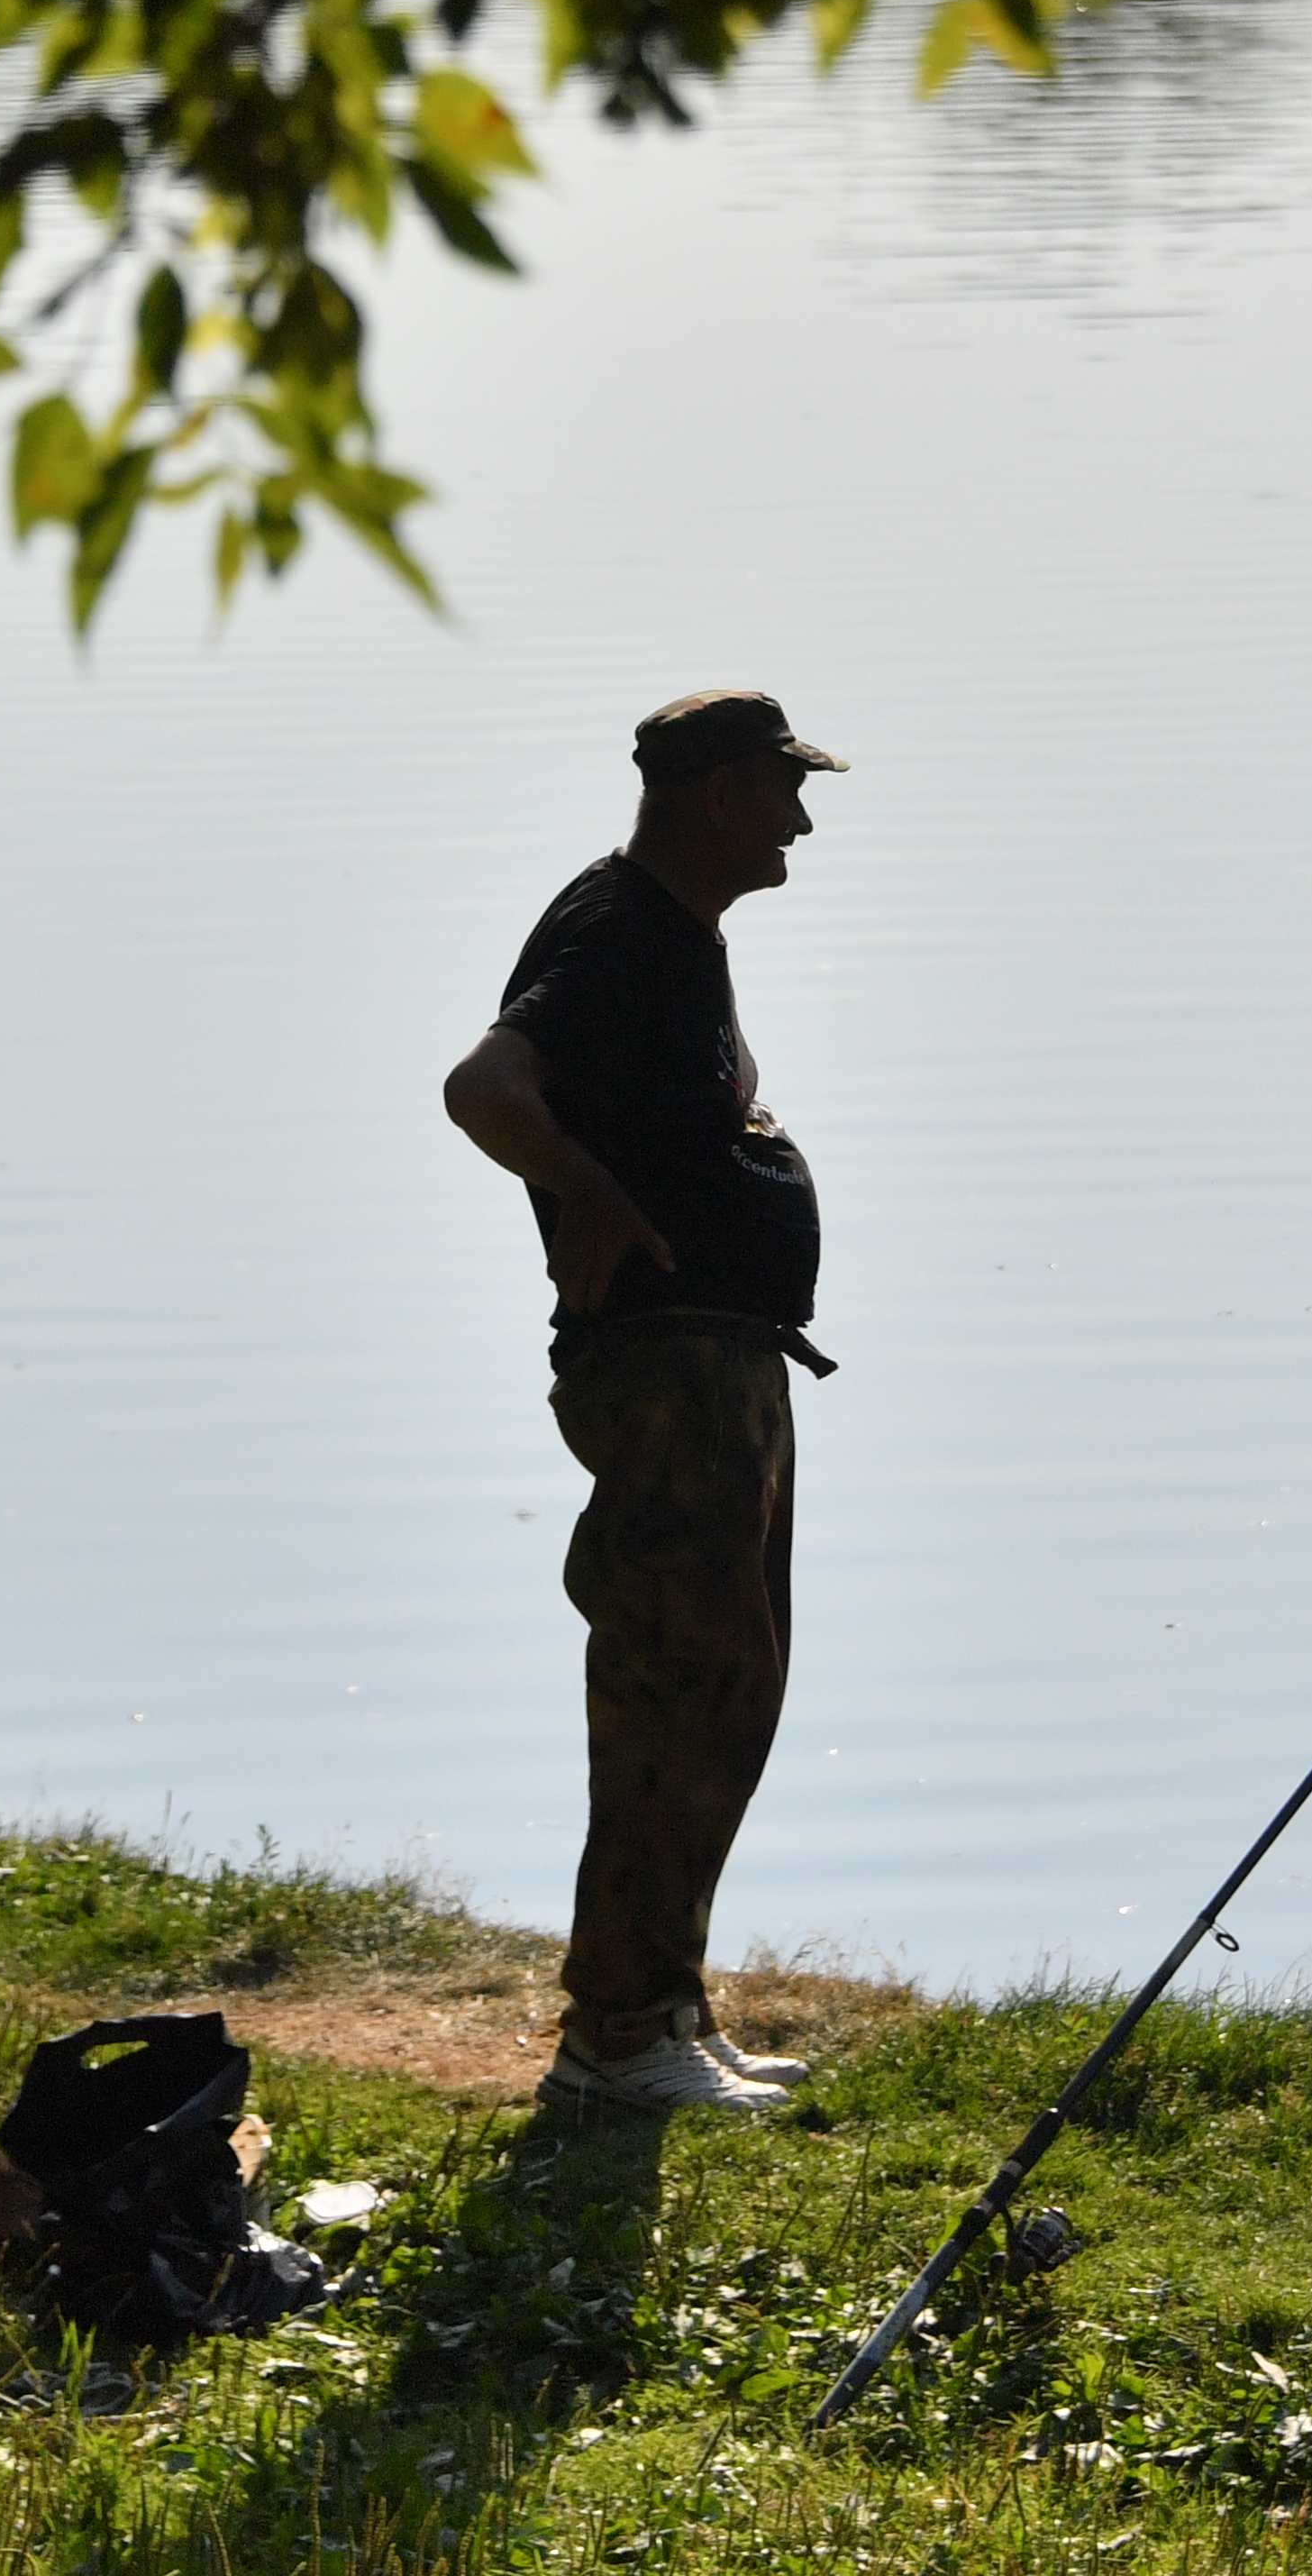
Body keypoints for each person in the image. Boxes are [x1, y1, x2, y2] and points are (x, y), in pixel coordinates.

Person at [443, 690, 850, 2118]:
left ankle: (666, 2005)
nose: (803, 816)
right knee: (676, 1685)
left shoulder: (675, 939)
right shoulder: (619, 933)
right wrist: (592, 1189)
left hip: (723, 1364)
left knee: (731, 1687)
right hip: (669, 1371)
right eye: (785, 788)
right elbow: (484, 1084)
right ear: (721, 793)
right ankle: (617, 2038)